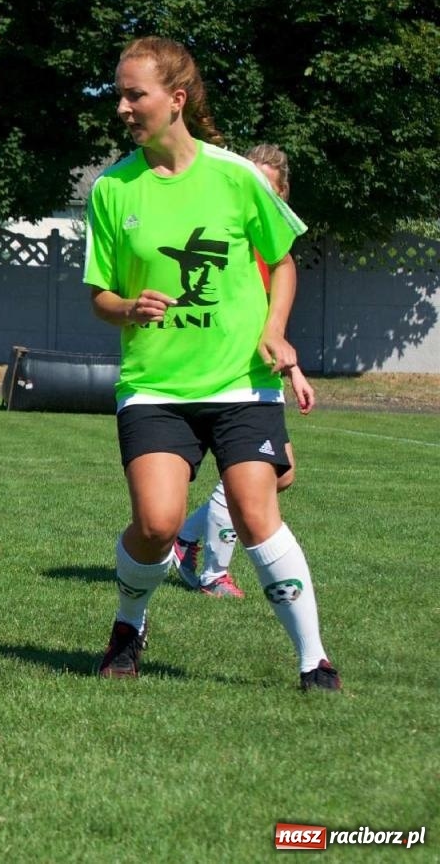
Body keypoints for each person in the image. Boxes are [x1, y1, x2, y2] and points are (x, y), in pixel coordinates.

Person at [85, 35, 339, 691]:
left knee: (256, 514)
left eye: (134, 95)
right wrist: (127, 307)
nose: (122, 108)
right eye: (119, 95)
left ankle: (314, 661)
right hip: (155, 387)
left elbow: (282, 261)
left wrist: (275, 330)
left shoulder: (237, 176)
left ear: (176, 98)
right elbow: (99, 297)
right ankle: (128, 625)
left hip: (240, 383)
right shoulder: (112, 189)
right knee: (157, 524)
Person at [171, 144, 316, 597]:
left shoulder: (271, 244)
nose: (256, 195)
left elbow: (270, 320)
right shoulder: (233, 237)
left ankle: (185, 539)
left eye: (267, 189)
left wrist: (293, 369)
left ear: (282, 194)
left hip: (259, 371)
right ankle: (213, 571)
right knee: (258, 476)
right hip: (229, 377)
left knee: (280, 475)